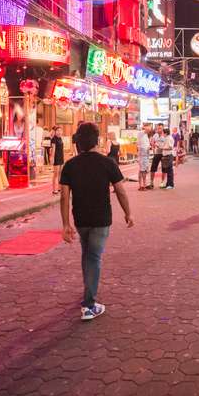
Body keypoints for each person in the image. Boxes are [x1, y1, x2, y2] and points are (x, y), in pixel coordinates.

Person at [59, 122, 134, 321]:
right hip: (101, 219)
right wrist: (128, 213)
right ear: (97, 140)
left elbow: (64, 197)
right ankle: (89, 305)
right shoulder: (108, 162)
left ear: (78, 142)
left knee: (88, 254)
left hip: (80, 219)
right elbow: (120, 190)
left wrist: (66, 224)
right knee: (93, 257)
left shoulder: (70, 165)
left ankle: (88, 290)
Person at [148, 123, 165, 189]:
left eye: (160, 128)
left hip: (164, 153)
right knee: (153, 168)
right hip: (157, 153)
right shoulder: (155, 135)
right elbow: (152, 142)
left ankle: (162, 182)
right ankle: (151, 182)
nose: (159, 129)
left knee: (164, 169)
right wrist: (153, 146)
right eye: (158, 128)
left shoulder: (165, 135)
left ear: (163, 128)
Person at [49, 126, 65, 195]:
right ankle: (54, 189)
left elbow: (62, 149)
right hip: (56, 158)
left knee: (60, 174)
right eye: (57, 131)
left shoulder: (60, 138)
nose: (59, 132)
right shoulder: (54, 139)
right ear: (55, 132)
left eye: (60, 131)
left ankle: (59, 188)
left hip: (61, 157)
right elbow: (53, 150)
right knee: (55, 174)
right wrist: (52, 158)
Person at [136, 123, 152, 191]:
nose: (150, 129)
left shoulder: (146, 135)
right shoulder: (140, 133)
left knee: (143, 170)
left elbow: (146, 145)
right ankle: (142, 185)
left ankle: (142, 185)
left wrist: (150, 147)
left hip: (146, 155)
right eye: (149, 128)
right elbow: (146, 129)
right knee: (142, 171)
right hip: (142, 155)